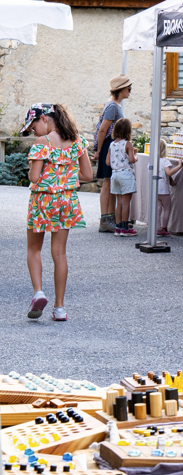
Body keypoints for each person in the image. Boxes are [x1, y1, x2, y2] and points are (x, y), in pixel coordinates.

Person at [22, 103, 92, 321]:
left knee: (34, 250)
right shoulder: (77, 142)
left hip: (43, 201)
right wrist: (66, 176)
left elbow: (34, 178)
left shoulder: (42, 142)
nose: (33, 131)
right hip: (66, 202)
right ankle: (60, 307)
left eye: (33, 126)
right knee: (60, 253)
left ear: (44, 119)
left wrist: (43, 170)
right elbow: (88, 176)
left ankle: (38, 293)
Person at [94, 75, 131, 234]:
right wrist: (99, 150)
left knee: (111, 183)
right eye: (128, 87)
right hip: (108, 145)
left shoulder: (116, 105)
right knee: (108, 183)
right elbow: (103, 129)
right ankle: (105, 219)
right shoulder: (113, 107)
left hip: (110, 145)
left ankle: (109, 218)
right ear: (121, 89)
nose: (130, 90)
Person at [108, 118, 137, 237]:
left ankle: (118, 227)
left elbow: (107, 162)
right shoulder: (128, 144)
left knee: (118, 202)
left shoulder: (112, 144)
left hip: (115, 175)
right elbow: (131, 160)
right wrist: (135, 155)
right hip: (125, 175)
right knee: (126, 203)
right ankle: (125, 228)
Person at [157, 140, 183, 237]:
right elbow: (168, 172)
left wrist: (169, 179)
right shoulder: (165, 161)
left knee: (158, 209)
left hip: (155, 190)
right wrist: (179, 166)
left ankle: (157, 227)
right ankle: (164, 228)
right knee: (167, 209)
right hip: (164, 190)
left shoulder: (152, 161)